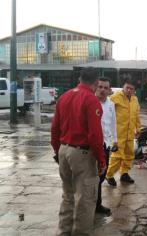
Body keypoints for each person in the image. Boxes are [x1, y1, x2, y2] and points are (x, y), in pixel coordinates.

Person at [51, 67, 106, 236]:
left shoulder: (64, 97)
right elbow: (95, 135)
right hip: (82, 154)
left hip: (63, 150)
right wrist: (101, 160)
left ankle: (64, 232)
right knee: (85, 199)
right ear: (96, 82)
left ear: (80, 79)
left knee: (68, 196)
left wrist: (57, 151)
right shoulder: (91, 100)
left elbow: (55, 129)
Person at [105, 78, 141, 186]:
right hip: (118, 134)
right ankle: (109, 175)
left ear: (134, 90)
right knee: (117, 156)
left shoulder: (135, 100)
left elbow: (136, 115)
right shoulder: (114, 98)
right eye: (127, 88)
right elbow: (107, 113)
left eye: (131, 89)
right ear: (123, 87)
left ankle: (124, 173)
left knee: (129, 154)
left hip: (130, 133)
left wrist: (138, 128)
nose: (129, 90)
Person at [95, 77, 118, 215]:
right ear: (96, 88)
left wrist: (115, 140)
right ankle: (95, 204)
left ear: (109, 90)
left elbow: (113, 123)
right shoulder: (90, 102)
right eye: (100, 87)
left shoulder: (110, 104)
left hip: (106, 144)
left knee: (102, 175)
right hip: (91, 145)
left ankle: (96, 204)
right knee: (93, 176)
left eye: (106, 88)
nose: (103, 90)